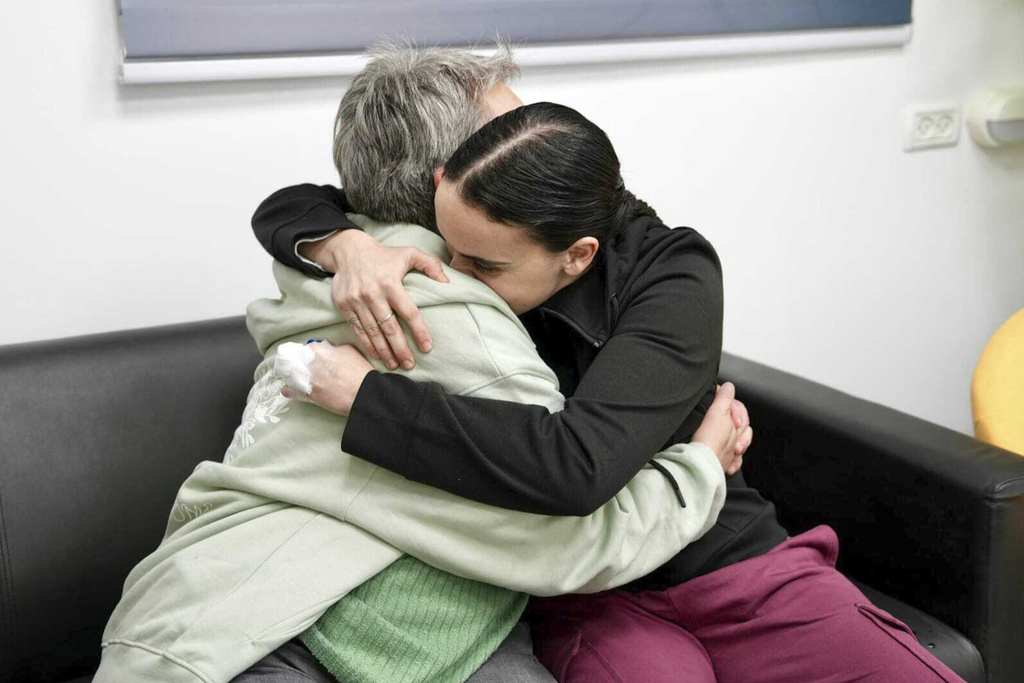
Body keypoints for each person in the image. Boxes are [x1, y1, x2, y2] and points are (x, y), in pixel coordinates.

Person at [255, 68, 967, 683]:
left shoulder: (665, 266)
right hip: (594, 588)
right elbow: (291, 202)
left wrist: (365, 400)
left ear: (576, 254)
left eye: (485, 269)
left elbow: (577, 464)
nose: (461, 277)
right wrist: (344, 244)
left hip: (726, 558)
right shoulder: (464, 228)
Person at [93, 46, 743, 683]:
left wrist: (340, 243)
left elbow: (294, 202)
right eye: (507, 134)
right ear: (448, 175)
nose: (531, 142)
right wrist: (701, 468)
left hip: (223, 597)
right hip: (271, 627)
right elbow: (572, 533)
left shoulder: (337, 254)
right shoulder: (443, 315)